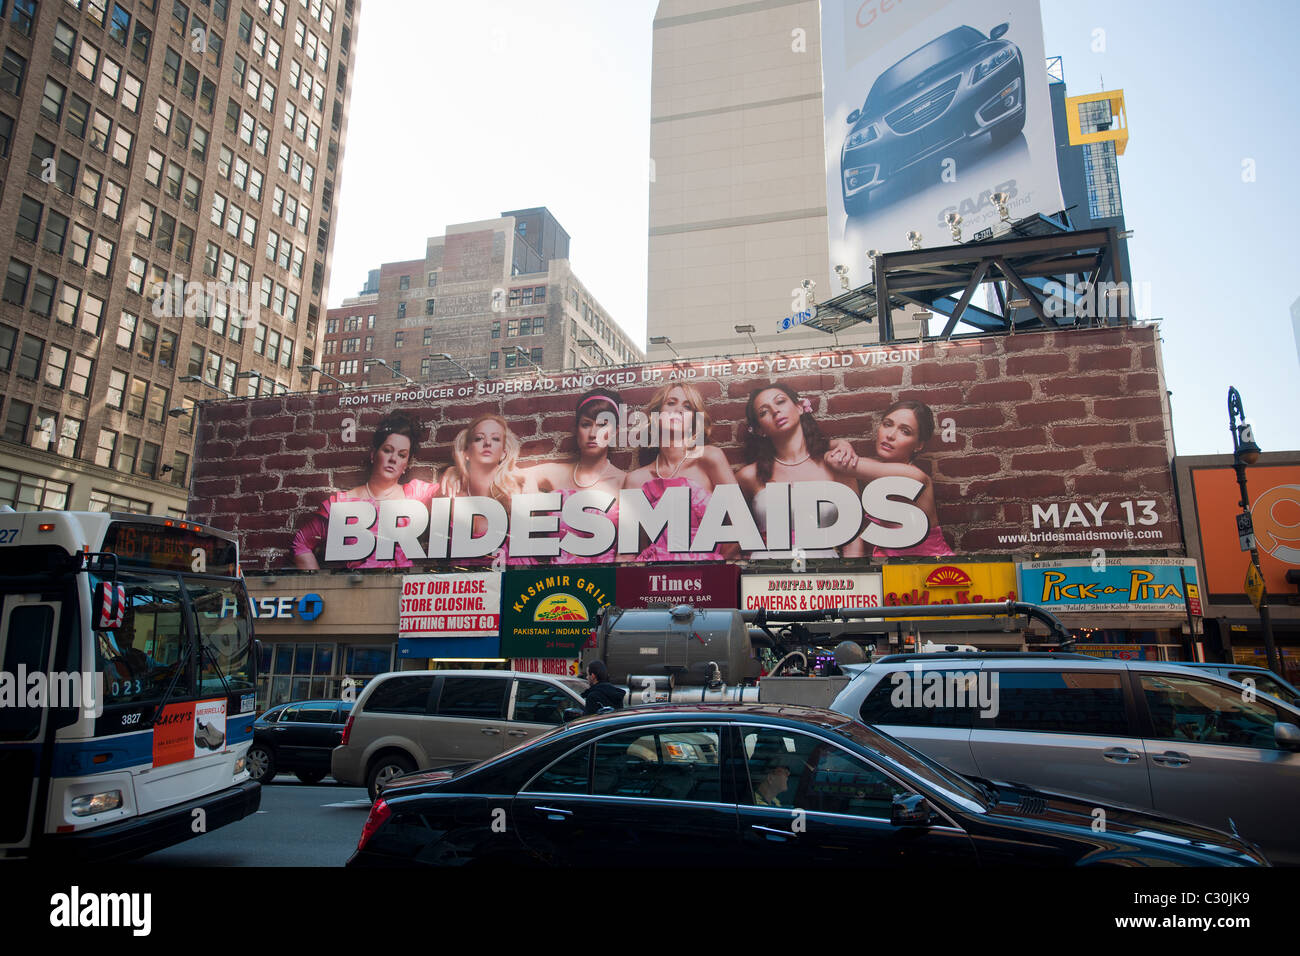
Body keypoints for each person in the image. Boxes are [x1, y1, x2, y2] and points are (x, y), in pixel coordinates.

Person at [291, 411, 438, 569]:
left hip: (401, 590)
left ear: (406, 466)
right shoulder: (342, 504)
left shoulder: (416, 494)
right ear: (374, 455)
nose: (393, 459)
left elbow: (454, 494)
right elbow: (301, 543)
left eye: (402, 455)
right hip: (356, 591)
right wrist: (319, 589)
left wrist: (453, 472)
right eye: (388, 450)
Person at [736, 383, 866, 559]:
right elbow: (735, 542)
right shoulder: (749, 476)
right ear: (759, 430)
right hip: (765, 576)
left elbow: (853, 539)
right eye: (763, 412)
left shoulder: (836, 466)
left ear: (799, 407)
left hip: (826, 575)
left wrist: (852, 578)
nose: (775, 411)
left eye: (780, 402)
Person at [622, 383, 740, 561]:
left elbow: (741, 530)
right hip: (654, 581)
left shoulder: (709, 458)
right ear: (656, 415)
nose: (678, 410)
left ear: (694, 420)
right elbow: (628, 553)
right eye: (671, 403)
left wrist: (712, 569)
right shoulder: (635, 480)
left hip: (706, 578)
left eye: (687, 407)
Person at [826, 399, 954, 559]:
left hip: (933, 572)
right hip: (896, 573)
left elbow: (833, 460)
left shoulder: (914, 476)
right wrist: (841, 443)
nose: (890, 435)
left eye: (905, 431)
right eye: (887, 424)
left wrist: (839, 445)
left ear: (918, 445)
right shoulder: (873, 471)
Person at [525, 388, 627, 564]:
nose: (593, 433)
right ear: (577, 429)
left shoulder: (624, 482)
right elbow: (510, 474)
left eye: (603, 425)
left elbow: (628, 552)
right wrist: (529, 484)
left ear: (615, 431)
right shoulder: (555, 474)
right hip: (558, 584)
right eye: (586, 424)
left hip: (605, 583)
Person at [438, 414, 532, 565]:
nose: (487, 443)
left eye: (495, 439)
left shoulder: (515, 494)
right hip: (461, 584)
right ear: (466, 452)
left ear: (503, 453)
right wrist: (452, 471)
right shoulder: (449, 493)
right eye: (479, 438)